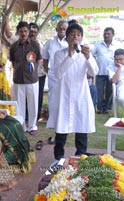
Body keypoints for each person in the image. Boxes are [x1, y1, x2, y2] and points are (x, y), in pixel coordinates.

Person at [46, 24, 99, 161]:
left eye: (78, 34)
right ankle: (59, 159)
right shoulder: (60, 54)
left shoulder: (85, 54)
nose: (75, 36)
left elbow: (94, 72)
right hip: (63, 96)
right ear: (67, 37)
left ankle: (80, 157)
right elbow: (58, 73)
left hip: (81, 96)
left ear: (81, 38)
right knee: (61, 130)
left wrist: (88, 58)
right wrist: (70, 56)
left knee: (81, 127)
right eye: (72, 34)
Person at [9, 21, 42, 135]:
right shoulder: (13, 46)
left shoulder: (34, 45)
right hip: (18, 79)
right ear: (17, 32)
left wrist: (32, 69)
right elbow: (12, 62)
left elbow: (38, 59)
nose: (23, 33)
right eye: (21, 31)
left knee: (33, 103)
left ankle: (32, 126)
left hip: (32, 79)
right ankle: (22, 126)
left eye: (25, 31)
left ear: (28, 32)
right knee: (19, 104)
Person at [42, 21, 68, 121]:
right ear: (56, 30)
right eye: (60, 28)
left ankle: (64, 117)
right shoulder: (50, 42)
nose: (62, 30)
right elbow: (45, 57)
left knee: (65, 94)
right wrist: (47, 70)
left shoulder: (70, 42)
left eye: (64, 29)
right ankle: (53, 117)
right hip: (53, 73)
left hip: (66, 74)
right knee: (53, 95)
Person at [92, 27, 119, 114]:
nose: (106, 35)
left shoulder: (117, 45)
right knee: (99, 91)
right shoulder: (98, 44)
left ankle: (107, 108)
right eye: (105, 34)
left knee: (109, 91)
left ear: (113, 35)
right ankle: (100, 108)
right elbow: (91, 55)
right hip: (100, 71)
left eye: (108, 34)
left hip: (111, 73)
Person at [29, 22, 46, 121]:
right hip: (27, 76)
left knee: (38, 96)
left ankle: (36, 117)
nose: (33, 34)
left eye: (35, 32)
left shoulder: (41, 44)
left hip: (40, 74)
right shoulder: (23, 43)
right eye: (31, 31)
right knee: (29, 96)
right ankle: (27, 117)